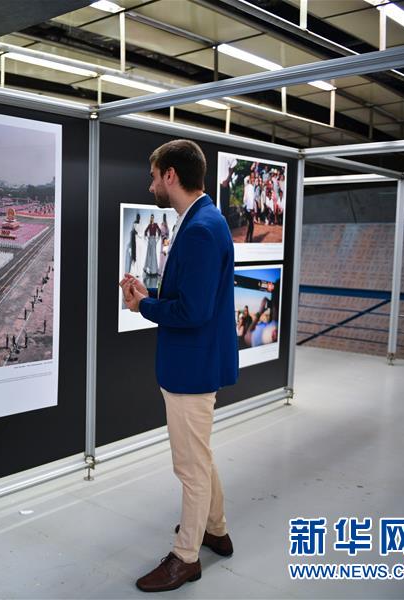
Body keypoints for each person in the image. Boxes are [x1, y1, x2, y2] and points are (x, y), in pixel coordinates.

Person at [119, 139, 238, 593]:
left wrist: (144, 306)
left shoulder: (201, 229)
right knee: (199, 456)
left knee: (189, 467)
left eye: (154, 176)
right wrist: (149, 297)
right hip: (195, 361)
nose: (151, 185)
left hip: (191, 367)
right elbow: (193, 299)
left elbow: (193, 311)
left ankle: (186, 556)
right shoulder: (203, 221)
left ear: (170, 175)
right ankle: (216, 529)